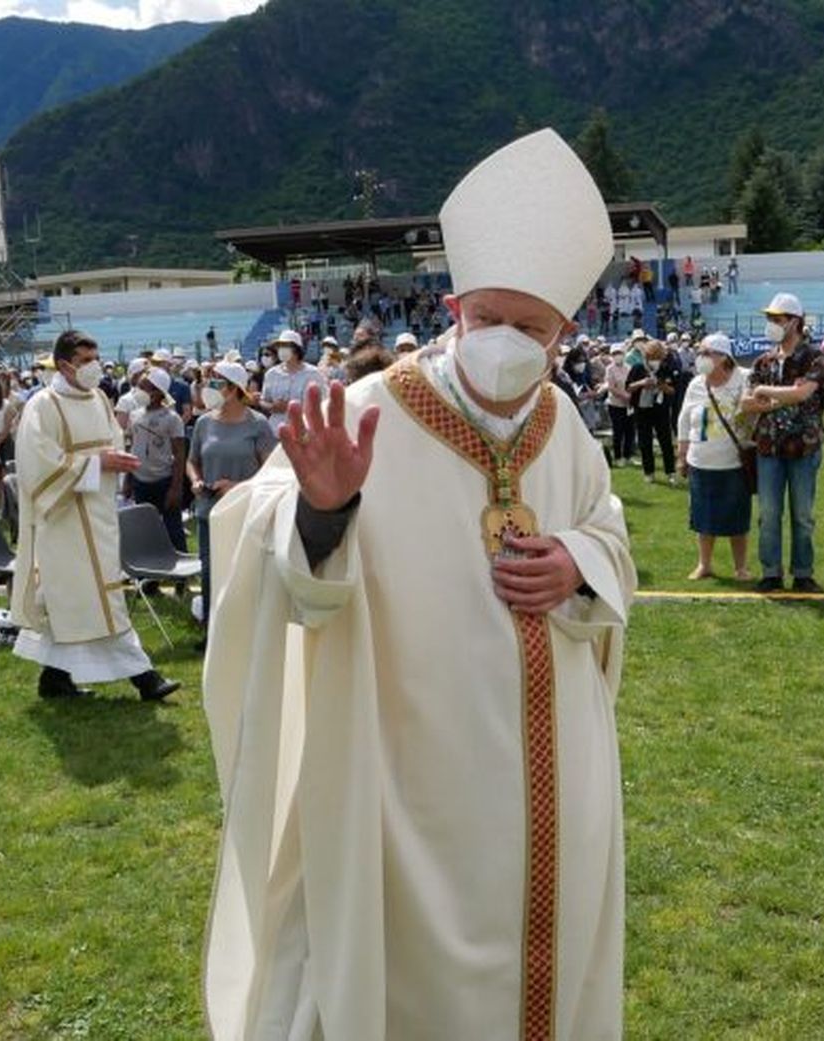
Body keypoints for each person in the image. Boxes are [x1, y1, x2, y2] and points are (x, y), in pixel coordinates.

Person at [201, 127, 633, 1040]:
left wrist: (577, 562)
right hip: (406, 772)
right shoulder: (366, 412)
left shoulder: (566, 426)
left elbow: (608, 531)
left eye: (532, 327)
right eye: (489, 316)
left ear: (566, 332)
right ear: (452, 307)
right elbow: (263, 537)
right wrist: (324, 512)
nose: (508, 340)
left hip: (558, 766)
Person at [10, 329, 179, 702]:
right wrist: (96, 463)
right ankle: (145, 677)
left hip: (100, 514)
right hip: (64, 518)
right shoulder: (43, 405)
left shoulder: (100, 398)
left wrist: (117, 462)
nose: (94, 367)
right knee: (99, 598)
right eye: (85, 361)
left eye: (95, 359)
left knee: (72, 600)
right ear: (64, 365)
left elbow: (111, 443)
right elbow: (37, 465)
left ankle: (54, 678)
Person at [741, 292, 824, 593]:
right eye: (770, 318)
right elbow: (746, 403)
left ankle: (803, 573)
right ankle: (771, 572)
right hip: (769, 446)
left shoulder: (813, 357)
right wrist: (783, 396)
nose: (772, 324)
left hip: (803, 446)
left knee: (802, 514)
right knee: (768, 514)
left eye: (777, 319)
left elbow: (802, 394)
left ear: (794, 322)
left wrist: (765, 391)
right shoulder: (763, 361)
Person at [186, 361, 272, 651]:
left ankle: (248, 631)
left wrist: (237, 487)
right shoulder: (203, 423)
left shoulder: (257, 424)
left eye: (216, 382)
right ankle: (213, 632)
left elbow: (271, 470)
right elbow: (192, 461)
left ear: (234, 388)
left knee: (245, 571)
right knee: (211, 571)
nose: (208, 387)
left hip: (244, 511)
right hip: (208, 511)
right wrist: (196, 480)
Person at [676, 333, 751, 579]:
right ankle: (704, 564)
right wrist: (682, 453)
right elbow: (684, 420)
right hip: (700, 461)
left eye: (706, 353)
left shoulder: (744, 378)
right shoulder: (696, 384)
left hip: (733, 462)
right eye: (700, 353)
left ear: (723, 357)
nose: (701, 357)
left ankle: (740, 567)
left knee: (737, 518)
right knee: (703, 518)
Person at [126, 366, 188, 551]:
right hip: (140, 481)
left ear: (159, 392)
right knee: (144, 528)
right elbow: (133, 448)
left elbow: (179, 453)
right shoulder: (135, 415)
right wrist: (129, 479)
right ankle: (149, 565)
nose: (141, 391)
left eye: (146, 388)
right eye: (140, 387)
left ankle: (181, 562)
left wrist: (176, 488)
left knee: (172, 528)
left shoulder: (172, 418)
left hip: (164, 481)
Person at [259, 329, 328, 446]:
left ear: (296, 349)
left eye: (285, 346)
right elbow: (263, 400)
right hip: (276, 434)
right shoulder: (271, 374)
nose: (281, 349)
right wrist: (273, 406)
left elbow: (323, 403)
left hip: (304, 435)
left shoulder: (313, 374)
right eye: (280, 346)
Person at [626, 340, 677, 485]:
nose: (655, 361)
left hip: (661, 408)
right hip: (642, 409)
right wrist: (642, 383)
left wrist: (661, 385)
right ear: (646, 357)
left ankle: (670, 472)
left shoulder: (666, 368)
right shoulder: (637, 368)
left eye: (658, 358)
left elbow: (673, 390)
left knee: (665, 441)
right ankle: (649, 472)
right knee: (645, 441)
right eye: (652, 358)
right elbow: (628, 387)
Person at [603, 344, 634, 465]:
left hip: (629, 404)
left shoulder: (629, 367)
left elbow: (632, 383)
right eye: (615, 354)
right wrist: (624, 396)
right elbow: (611, 387)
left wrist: (630, 396)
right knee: (618, 431)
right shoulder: (609, 369)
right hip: (615, 404)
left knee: (629, 431)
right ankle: (618, 456)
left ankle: (628, 455)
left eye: (619, 353)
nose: (617, 356)